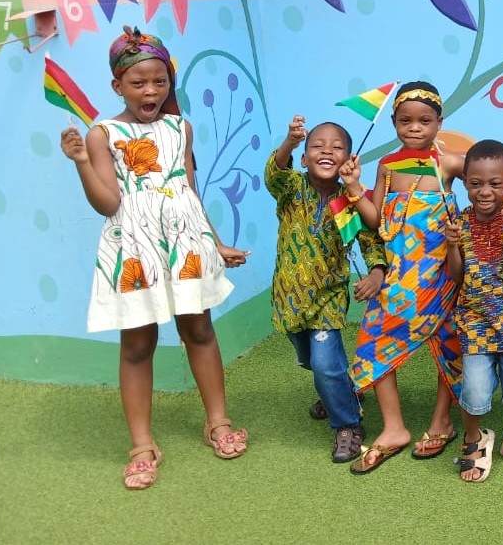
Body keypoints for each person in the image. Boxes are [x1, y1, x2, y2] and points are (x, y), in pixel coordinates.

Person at [59, 26, 249, 490]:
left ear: (169, 81)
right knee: (138, 344)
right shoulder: (104, 133)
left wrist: (215, 241)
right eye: (139, 82)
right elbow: (107, 203)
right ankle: (142, 444)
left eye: (159, 81)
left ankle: (218, 422)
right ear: (117, 85)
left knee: (199, 329)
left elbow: (187, 190)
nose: (150, 90)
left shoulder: (179, 126)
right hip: (135, 248)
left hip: (185, 242)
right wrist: (83, 162)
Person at [344, 81, 465, 474]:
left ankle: (441, 421)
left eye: (424, 120)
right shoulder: (387, 166)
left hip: (442, 277)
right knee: (374, 341)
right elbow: (375, 218)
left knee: (448, 344)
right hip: (397, 278)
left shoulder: (447, 163)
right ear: (394, 122)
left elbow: (488, 179)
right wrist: (352, 188)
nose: (415, 127)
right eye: (406, 120)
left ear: (439, 122)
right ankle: (394, 427)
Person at [265, 115, 386, 463]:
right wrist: (289, 140)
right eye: (317, 146)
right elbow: (274, 174)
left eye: (337, 148)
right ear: (303, 159)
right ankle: (342, 393)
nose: (326, 151)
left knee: (325, 364)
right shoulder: (291, 190)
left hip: (328, 299)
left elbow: (369, 241)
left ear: (349, 159)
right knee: (311, 361)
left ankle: (347, 425)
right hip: (289, 299)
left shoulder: (349, 202)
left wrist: (377, 272)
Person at [445, 140, 503, 482]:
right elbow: (456, 276)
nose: (485, 191)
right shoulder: (458, 220)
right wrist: (453, 246)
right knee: (474, 387)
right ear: (465, 182)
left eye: (495, 184)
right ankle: (474, 438)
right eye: (475, 183)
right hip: (475, 319)